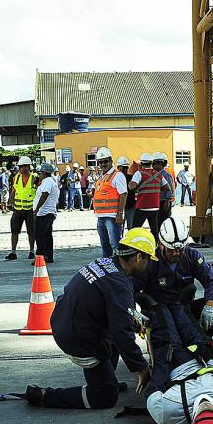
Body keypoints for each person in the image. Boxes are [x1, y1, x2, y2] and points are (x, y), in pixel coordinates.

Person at [17, 228, 158, 409]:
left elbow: (116, 315)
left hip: (65, 322)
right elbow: (122, 334)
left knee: (116, 334)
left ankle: (106, 379)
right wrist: (141, 367)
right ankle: (45, 395)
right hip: (76, 338)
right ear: (138, 257)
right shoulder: (119, 285)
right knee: (105, 397)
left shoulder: (105, 262)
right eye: (147, 258)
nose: (148, 264)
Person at [90, 147, 128, 258]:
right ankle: (108, 269)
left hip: (112, 217)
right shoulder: (102, 176)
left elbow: (123, 194)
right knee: (105, 246)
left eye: (105, 161)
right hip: (101, 217)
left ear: (111, 160)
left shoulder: (117, 175)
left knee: (116, 245)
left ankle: (119, 270)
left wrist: (120, 214)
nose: (103, 164)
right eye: (100, 162)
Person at [6, 156, 36, 260]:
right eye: (19, 167)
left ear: (27, 167)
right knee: (14, 231)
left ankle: (32, 251)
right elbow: (14, 191)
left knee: (31, 232)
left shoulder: (34, 178)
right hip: (18, 210)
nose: (19, 169)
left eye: (21, 167)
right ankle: (13, 252)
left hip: (30, 210)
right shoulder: (17, 177)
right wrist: (10, 202)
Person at [129, 153, 164, 235]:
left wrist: (131, 184)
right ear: (151, 163)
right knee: (154, 229)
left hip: (142, 206)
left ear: (141, 164)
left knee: (135, 229)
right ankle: (156, 245)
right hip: (155, 206)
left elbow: (132, 186)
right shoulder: (158, 174)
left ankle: (135, 244)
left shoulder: (139, 173)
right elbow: (167, 188)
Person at [32, 163, 59, 263]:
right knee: (47, 235)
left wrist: (37, 209)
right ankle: (48, 256)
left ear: (44, 173)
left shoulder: (47, 182)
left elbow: (45, 195)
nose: (39, 175)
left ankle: (40, 257)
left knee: (39, 235)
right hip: (48, 212)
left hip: (44, 213)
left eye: (40, 173)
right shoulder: (50, 181)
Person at [152, 152, 174, 229]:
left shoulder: (166, 175)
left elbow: (170, 189)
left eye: (154, 164)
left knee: (164, 222)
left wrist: (167, 201)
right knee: (157, 222)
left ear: (160, 164)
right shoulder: (155, 174)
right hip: (157, 201)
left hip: (164, 202)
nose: (153, 166)